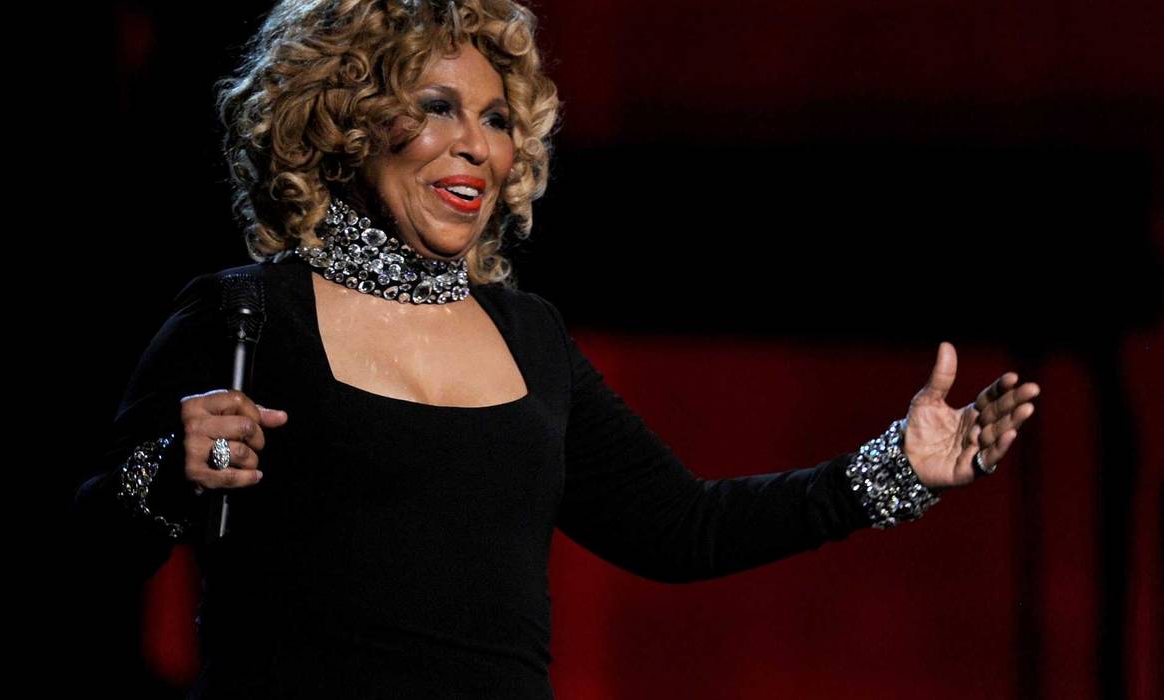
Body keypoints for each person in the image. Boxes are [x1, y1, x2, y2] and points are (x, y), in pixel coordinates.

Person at [72, 0, 1042, 697]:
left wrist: (894, 472)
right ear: (348, 119)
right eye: (439, 106)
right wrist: (161, 478)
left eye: (496, 119)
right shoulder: (246, 319)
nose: (478, 146)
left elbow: (683, 528)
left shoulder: (527, 337)